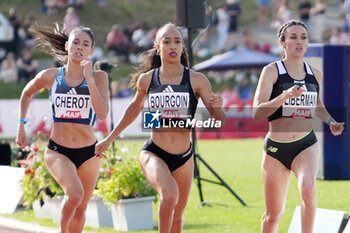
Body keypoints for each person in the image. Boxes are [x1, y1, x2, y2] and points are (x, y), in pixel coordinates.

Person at [95, 23, 225, 233]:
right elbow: (134, 109)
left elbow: (218, 119)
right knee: (170, 196)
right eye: (167, 41)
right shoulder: (148, 80)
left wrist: (218, 108)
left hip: (184, 156)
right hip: (154, 152)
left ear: (183, 47)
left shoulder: (197, 80)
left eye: (177, 41)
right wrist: (109, 139)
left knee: (178, 215)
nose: (172, 45)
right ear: (157, 46)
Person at [253, 20, 344, 233]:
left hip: (305, 144)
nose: (299, 41)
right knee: (273, 215)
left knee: (308, 190)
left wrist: (331, 122)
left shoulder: (316, 73)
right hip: (276, 149)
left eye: (303, 37)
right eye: (293, 37)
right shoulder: (271, 71)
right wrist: (284, 96)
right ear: (282, 43)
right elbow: (257, 113)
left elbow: (317, 105)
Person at [16, 24, 109, 233]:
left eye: (85, 44)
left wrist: (89, 79)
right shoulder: (50, 76)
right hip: (59, 151)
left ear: (91, 51)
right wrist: (21, 125)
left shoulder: (99, 77)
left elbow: (102, 113)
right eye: (75, 42)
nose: (79, 47)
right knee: (74, 195)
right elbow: (27, 92)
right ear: (67, 46)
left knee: (81, 208)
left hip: (89, 153)